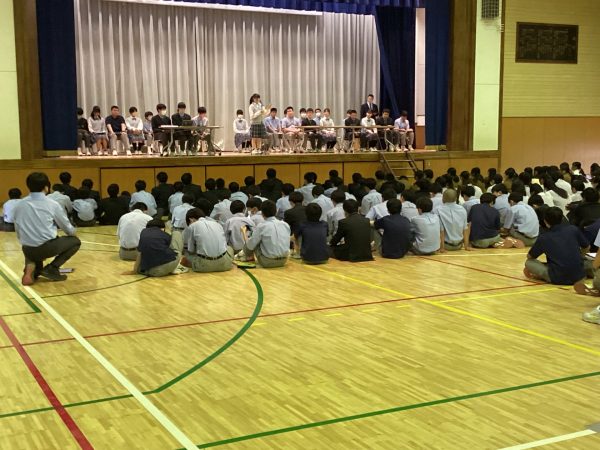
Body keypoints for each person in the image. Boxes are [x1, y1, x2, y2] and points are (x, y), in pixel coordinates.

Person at [13, 172, 80, 285]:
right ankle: (52, 268)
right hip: (46, 247)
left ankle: (31, 269)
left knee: (33, 245)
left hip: (27, 248)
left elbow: (18, 229)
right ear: (46, 187)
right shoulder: (52, 204)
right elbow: (68, 229)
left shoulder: (19, 205)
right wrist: (73, 233)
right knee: (75, 242)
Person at [525, 207, 589, 285]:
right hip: (580, 276)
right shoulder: (573, 229)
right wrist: (581, 257)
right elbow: (587, 247)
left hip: (558, 278)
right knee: (587, 262)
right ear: (562, 218)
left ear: (545, 221)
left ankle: (543, 276)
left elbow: (530, 257)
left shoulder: (544, 237)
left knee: (529, 263)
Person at [241, 200, 290, 268]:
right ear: (276, 211)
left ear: (262, 213)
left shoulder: (262, 226)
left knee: (254, 241)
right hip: (284, 261)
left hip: (267, 262)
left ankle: (248, 257)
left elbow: (250, 245)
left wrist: (244, 233)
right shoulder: (285, 224)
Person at [184, 208, 233, 272]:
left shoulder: (192, 226)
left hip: (203, 266)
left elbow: (191, 250)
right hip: (225, 265)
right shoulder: (217, 224)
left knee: (187, 255)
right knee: (229, 248)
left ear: (191, 219)